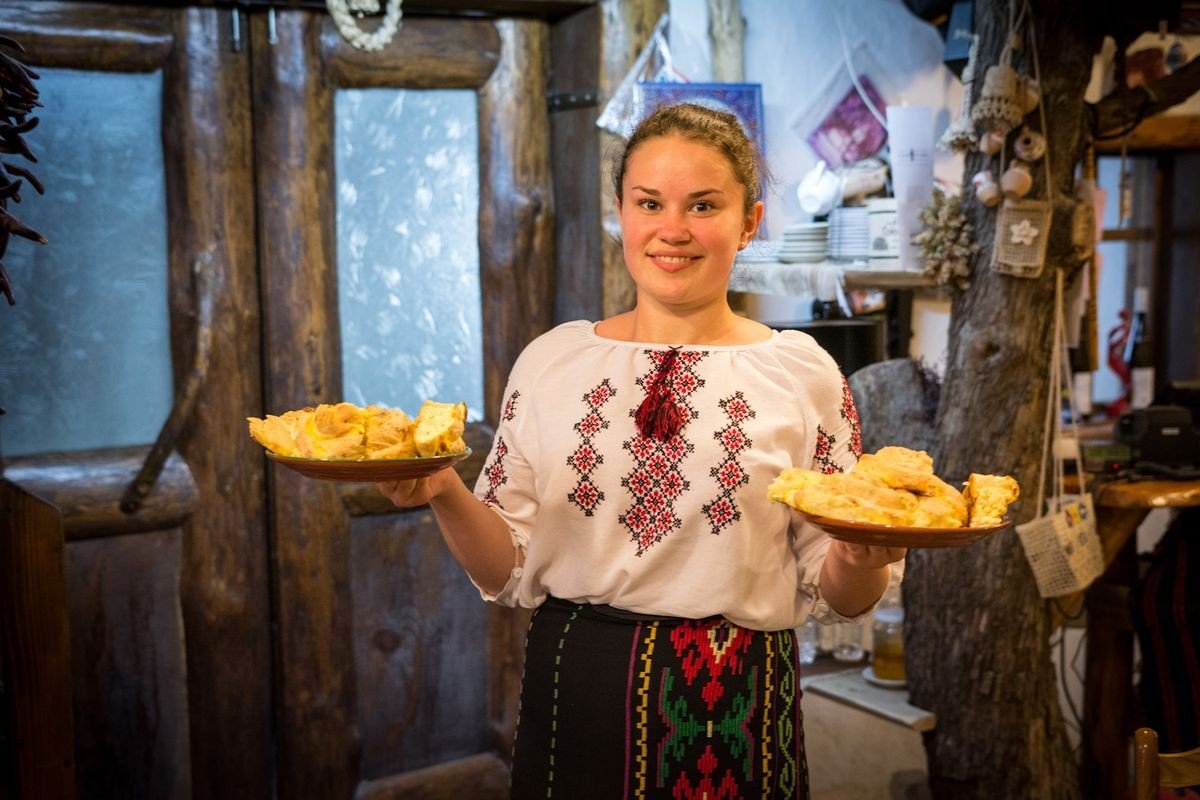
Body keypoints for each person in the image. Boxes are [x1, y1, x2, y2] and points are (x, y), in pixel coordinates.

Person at [377, 101, 906, 799]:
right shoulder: (552, 362)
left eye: (704, 205)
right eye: (649, 203)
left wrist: (861, 558)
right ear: (621, 212)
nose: (672, 229)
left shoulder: (803, 374)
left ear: (749, 221)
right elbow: (507, 568)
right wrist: (443, 488)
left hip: (738, 708)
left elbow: (839, 593)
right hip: (578, 696)